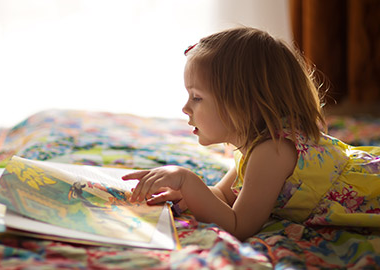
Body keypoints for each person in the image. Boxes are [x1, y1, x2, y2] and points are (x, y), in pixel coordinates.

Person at [122, 27, 380, 241]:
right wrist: (189, 194)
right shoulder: (256, 145)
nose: (185, 108)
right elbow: (224, 196)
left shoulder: (273, 152)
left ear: (244, 104)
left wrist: (188, 180)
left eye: (197, 97)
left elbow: (239, 225)